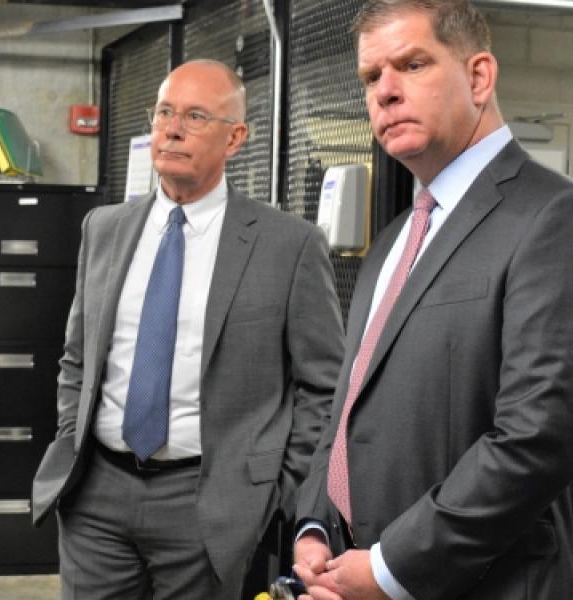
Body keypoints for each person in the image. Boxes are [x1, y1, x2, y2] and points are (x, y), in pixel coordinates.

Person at [31, 59, 345, 599]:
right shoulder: (104, 229)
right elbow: (77, 358)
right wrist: (70, 437)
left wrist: (276, 490)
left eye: (195, 117)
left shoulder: (287, 246)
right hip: (97, 495)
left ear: (236, 138)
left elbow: (324, 387)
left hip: (210, 504)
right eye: (164, 113)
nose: (171, 129)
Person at [292, 2, 573, 599]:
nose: (385, 93)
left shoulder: (551, 217)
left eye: (412, 64)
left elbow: (537, 436)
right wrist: (315, 522)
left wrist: (392, 567)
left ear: (478, 77)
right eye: (371, 77)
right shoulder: (391, 243)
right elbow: (348, 406)